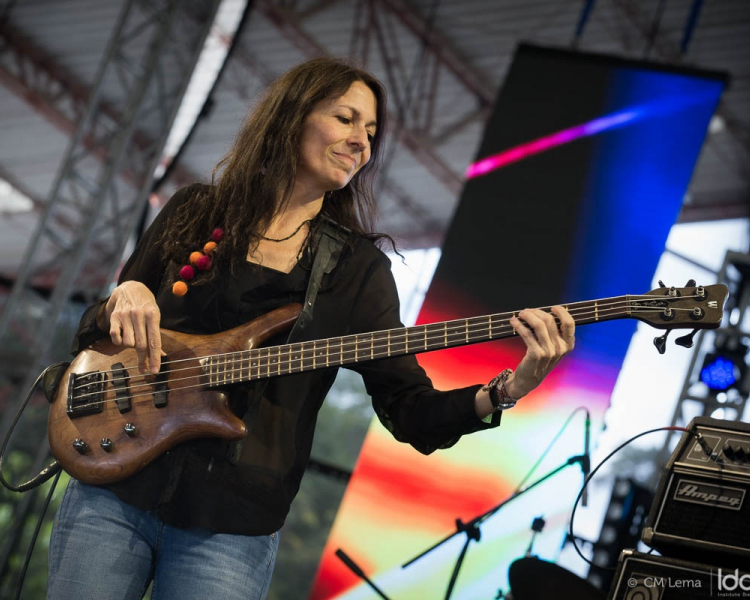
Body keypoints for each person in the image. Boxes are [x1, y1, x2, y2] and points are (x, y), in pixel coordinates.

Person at [47, 57, 575, 599]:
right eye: (346, 119)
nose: (362, 142)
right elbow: (94, 336)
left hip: (232, 524)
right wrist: (125, 295)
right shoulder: (195, 210)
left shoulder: (355, 269)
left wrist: (509, 388)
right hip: (116, 488)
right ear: (293, 116)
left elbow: (411, 412)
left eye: (370, 131)